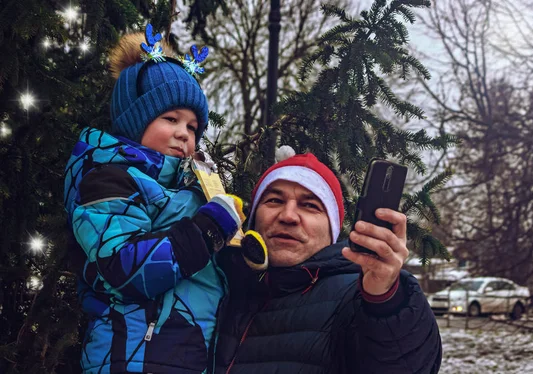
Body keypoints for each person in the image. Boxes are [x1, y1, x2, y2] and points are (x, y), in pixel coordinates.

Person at [63, 25, 266, 373]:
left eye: (192, 127)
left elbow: (209, 278)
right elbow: (122, 266)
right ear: (134, 121)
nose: (182, 134)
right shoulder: (108, 179)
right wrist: (206, 231)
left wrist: (238, 256)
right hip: (131, 356)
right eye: (170, 119)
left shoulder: (193, 190)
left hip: (191, 356)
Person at [213, 150, 442, 373]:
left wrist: (385, 299)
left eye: (310, 205)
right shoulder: (220, 285)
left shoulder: (354, 298)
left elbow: (404, 363)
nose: (288, 216)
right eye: (274, 200)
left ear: (331, 230)